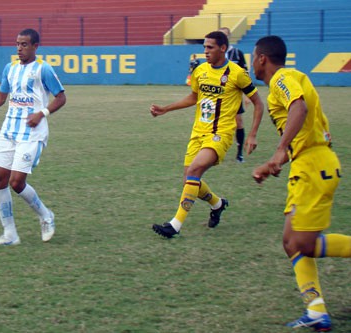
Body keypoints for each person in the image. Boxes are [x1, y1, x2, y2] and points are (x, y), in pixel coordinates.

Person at [252, 35, 350, 331]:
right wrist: (277, 162)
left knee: (303, 244)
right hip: (306, 165)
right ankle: (316, 310)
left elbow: (299, 107)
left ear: (262, 59)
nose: (251, 63)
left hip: (313, 166)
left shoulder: (283, 77)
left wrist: (280, 150)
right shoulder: (280, 84)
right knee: (290, 242)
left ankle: (317, 311)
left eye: (252, 57)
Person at [150, 31, 264, 238]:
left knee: (194, 170)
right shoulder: (201, 70)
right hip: (198, 132)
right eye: (204, 47)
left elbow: (258, 102)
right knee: (189, 179)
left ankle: (175, 225)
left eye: (210, 47)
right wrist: (166, 108)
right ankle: (218, 204)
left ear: (223, 48)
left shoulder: (237, 73)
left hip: (220, 134)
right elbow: (193, 97)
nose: (205, 51)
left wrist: (252, 134)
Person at [0, 28, 66, 245]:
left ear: (35, 47)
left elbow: (61, 97)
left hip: (32, 133)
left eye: (24, 44)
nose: (19, 48)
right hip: (8, 131)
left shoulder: (44, 69)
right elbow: (0, 98)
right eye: (17, 44)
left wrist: (42, 113)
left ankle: (46, 215)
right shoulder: (10, 68)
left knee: (16, 181)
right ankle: (10, 233)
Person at [219, 27, 249, 163]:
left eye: (225, 35)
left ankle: (239, 153)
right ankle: (215, 150)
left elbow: (245, 75)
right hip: (218, 95)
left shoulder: (237, 54)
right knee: (216, 123)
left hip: (234, 94)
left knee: (238, 122)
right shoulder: (215, 54)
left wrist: (247, 95)